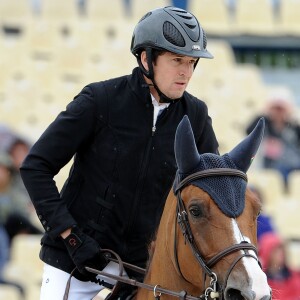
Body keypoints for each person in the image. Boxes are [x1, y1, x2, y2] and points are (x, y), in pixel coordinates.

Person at [20, 6, 219, 300]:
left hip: (143, 271)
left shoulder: (196, 115)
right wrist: (72, 238)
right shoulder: (99, 101)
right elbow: (35, 167)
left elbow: (210, 190)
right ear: (145, 58)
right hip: (76, 262)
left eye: (191, 62)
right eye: (177, 60)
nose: (186, 72)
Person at [246, 87, 300, 189]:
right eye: (275, 108)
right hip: (272, 165)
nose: (278, 112)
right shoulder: (264, 124)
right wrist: (264, 114)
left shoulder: (293, 126)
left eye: (281, 109)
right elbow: (248, 131)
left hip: (293, 164)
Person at [0, 152, 42, 244]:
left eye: (2, 169)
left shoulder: (16, 191)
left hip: (13, 232)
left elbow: (24, 212)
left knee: (15, 218)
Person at [259, 232, 300, 299]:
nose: (281, 253)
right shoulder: (262, 283)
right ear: (267, 253)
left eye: (282, 249)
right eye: (275, 251)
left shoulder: (295, 276)